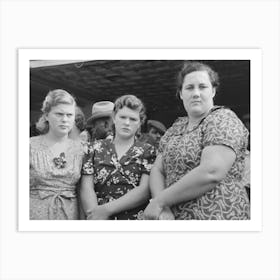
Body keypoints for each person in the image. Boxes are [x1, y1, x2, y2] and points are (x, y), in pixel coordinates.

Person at [144, 61, 250, 220]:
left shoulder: (222, 119)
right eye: (189, 87)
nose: (195, 93)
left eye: (202, 87)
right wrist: (163, 208)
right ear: (180, 93)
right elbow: (157, 170)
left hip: (218, 217)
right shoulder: (175, 128)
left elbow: (212, 171)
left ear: (213, 91)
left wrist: (159, 201)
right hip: (173, 218)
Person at [80, 95, 156, 220]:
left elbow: (144, 190)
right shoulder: (93, 148)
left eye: (133, 119)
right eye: (122, 117)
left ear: (140, 123)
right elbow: (86, 186)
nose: (127, 123)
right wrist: (95, 215)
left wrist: (106, 210)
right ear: (114, 118)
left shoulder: (148, 151)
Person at [30, 89, 84, 220]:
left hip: (70, 217)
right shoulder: (29, 146)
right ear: (47, 115)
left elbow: (83, 191)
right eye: (59, 114)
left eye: (69, 115)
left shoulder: (81, 149)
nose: (64, 119)